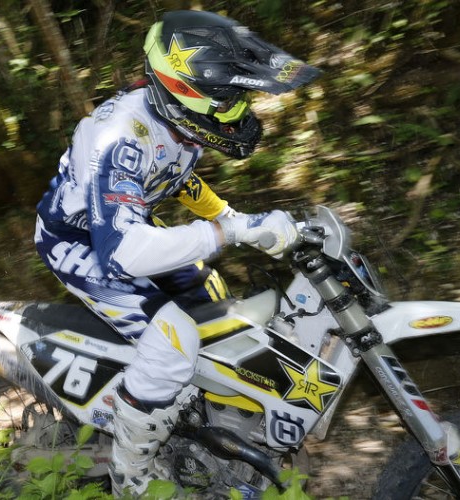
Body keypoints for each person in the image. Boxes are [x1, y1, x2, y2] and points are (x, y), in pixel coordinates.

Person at [33, 10, 321, 495]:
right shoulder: (119, 137)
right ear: (184, 91)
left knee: (214, 297)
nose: (237, 112)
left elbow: (177, 177)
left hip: (126, 225)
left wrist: (229, 216)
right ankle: (131, 476)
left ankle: (176, 411)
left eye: (240, 100)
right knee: (174, 341)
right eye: (227, 102)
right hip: (80, 241)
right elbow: (123, 253)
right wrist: (234, 231)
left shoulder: (173, 120)